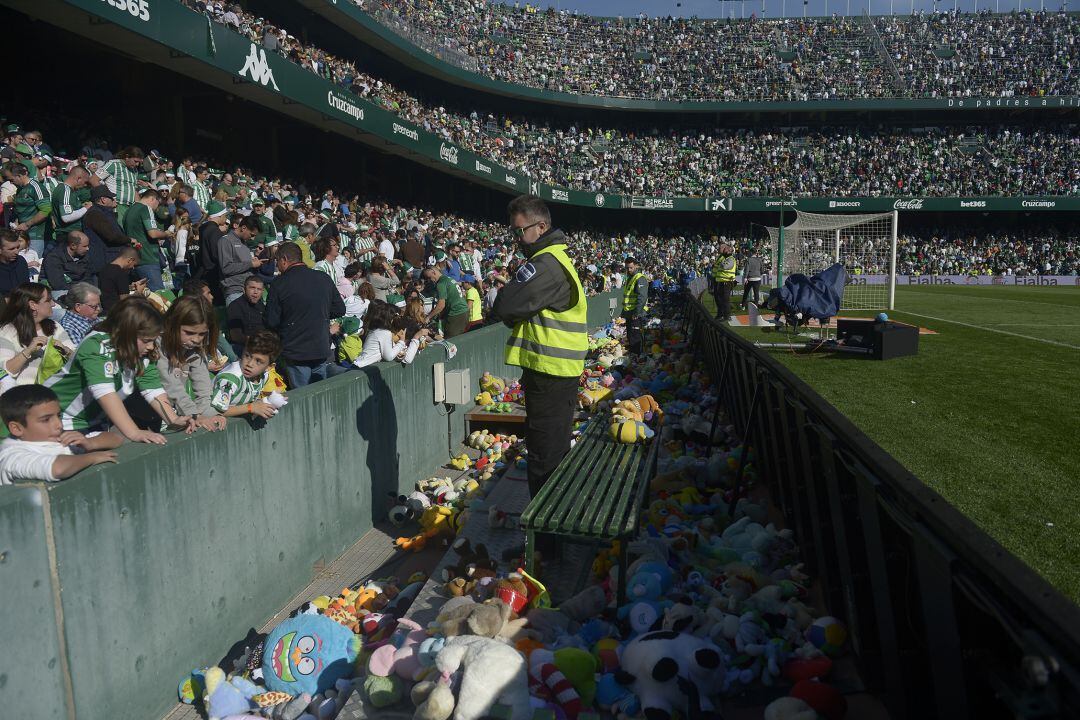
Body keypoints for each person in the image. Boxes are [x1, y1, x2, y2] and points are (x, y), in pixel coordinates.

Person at [491, 195, 587, 560]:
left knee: (545, 462)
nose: (517, 239)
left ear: (540, 227)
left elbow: (505, 305)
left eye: (521, 231)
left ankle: (546, 547)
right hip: (554, 375)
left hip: (551, 375)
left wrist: (508, 299)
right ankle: (553, 536)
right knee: (551, 456)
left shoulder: (546, 263)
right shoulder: (550, 259)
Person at [42, 295, 197, 443]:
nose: (151, 346)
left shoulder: (143, 352)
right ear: (127, 332)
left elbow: (152, 389)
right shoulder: (97, 345)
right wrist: (134, 432)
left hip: (92, 421)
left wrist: (174, 419)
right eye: (146, 340)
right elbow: (105, 392)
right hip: (55, 419)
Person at [0, 384, 122, 486]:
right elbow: (57, 469)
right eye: (46, 420)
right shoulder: (12, 456)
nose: (58, 424)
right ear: (16, 428)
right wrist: (92, 457)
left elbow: (116, 439)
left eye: (58, 416)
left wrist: (90, 443)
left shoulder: (57, 438)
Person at [263, 242, 346, 388]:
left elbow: (271, 321)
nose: (277, 266)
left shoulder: (280, 283)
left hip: (296, 350)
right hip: (320, 346)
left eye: (277, 261)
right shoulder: (323, 278)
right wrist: (319, 314)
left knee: (304, 397)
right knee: (320, 393)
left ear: (284, 259)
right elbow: (339, 309)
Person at [156, 295, 228, 432]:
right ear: (173, 324)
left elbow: (204, 391)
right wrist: (194, 416)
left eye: (202, 334)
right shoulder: (156, 345)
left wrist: (212, 415)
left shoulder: (194, 350)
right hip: (137, 416)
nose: (196, 339)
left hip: (166, 417)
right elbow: (172, 387)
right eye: (189, 332)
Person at [0, 282, 75, 387]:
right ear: (33, 305)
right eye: (48, 300)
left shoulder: (54, 326)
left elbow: (77, 358)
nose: (53, 304)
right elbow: (4, 372)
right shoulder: (7, 331)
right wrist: (28, 351)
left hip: (57, 389)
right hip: (25, 393)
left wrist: (65, 350)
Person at [209, 330, 282, 420]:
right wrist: (251, 408)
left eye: (258, 361)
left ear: (269, 367)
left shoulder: (264, 376)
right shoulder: (230, 379)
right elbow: (215, 410)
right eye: (247, 356)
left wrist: (270, 399)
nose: (250, 364)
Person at [124, 188, 173, 292]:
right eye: (158, 204)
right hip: (148, 258)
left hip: (135, 260)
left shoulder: (128, 210)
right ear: (152, 199)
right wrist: (166, 234)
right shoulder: (146, 209)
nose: (157, 208)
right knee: (159, 297)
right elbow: (153, 233)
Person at [352, 303, 426, 369]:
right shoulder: (384, 332)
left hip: (363, 367)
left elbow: (407, 359)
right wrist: (401, 341)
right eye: (397, 317)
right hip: (360, 367)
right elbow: (388, 357)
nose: (398, 319)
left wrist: (399, 354)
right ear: (390, 318)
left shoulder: (381, 331)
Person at [4, 161, 51, 257]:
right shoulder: (20, 189)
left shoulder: (36, 187)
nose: (10, 182)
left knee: (33, 262)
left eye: (12, 179)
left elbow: (46, 210)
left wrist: (27, 224)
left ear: (20, 176)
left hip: (36, 236)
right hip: (22, 236)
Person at [81, 184, 131, 274]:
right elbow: (111, 236)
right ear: (103, 200)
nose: (114, 200)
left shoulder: (104, 213)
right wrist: (129, 240)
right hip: (104, 261)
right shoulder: (95, 214)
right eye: (111, 198)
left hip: (110, 259)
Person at [218, 214, 263, 305]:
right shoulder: (225, 241)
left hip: (248, 290)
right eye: (252, 234)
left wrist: (254, 262)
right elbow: (226, 268)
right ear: (243, 228)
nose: (253, 238)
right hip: (235, 291)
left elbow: (244, 265)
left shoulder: (244, 243)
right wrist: (251, 264)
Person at [49, 165, 92, 250]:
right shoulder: (65, 190)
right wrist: (86, 208)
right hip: (67, 236)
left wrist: (80, 207)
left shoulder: (69, 191)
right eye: (85, 182)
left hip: (69, 236)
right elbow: (67, 217)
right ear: (79, 178)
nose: (84, 185)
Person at [422, 264, 469, 338]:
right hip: (464, 311)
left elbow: (441, 305)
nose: (429, 280)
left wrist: (428, 317)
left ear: (433, 272)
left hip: (456, 313)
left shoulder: (441, 283)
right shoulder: (449, 278)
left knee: (450, 341)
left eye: (429, 277)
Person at [42, 231, 94, 296]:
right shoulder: (54, 257)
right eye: (84, 246)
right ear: (73, 246)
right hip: (58, 291)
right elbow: (58, 284)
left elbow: (88, 278)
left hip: (79, 290)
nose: (87, 248)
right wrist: (80, 291)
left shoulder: (84, 256)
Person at [226, 275, 266, 355]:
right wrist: (258, 343)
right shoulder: (235, 306)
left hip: (263, 344)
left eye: (259, 289)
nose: (256, 292)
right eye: (252, 288)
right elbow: (236, 336)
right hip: (244, 346)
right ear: (244, 289)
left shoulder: (261, 305)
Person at [98, 247, 145, 313]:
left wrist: (130, 287)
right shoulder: (121, 274)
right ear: (130, 260)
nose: (133, 267)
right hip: (117, 311)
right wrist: (139, 291)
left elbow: (111, 288)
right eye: (134, 264)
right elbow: (125, 302)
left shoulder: (104, 269)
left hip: (105, 309)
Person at [58, 282, 102, 346]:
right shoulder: (69, 328)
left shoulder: (93, 318)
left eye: (99, 305)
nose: (98, 309)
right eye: (94, 306)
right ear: (78, 307)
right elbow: (80, 353)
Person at [621, 256, 648, 354]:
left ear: (636, 266)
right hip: (629, 312)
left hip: (635, 313)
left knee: (635, 336)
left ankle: (637, 356)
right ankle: (633, 355)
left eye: (631, 268)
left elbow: (642, 297)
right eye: (627, 268)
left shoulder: (639, 278)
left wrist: (636, 313)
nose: (629, 270)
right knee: (631, 335)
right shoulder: (630, 278)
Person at [710, 243, 737, 322]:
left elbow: (724, 266)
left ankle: (725, 315)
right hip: (719, 280)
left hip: (726, 281)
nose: (719, 249)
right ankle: (722, 314)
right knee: (721, 299)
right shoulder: (723, 257)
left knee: (724, 299)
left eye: (722, 248)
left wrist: (720, 264)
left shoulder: (729, 258)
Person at [0, 228, 31, 297]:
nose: (17, 252)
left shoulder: (21, 261)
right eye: (11, 249)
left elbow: (27, 288)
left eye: (17, 247)